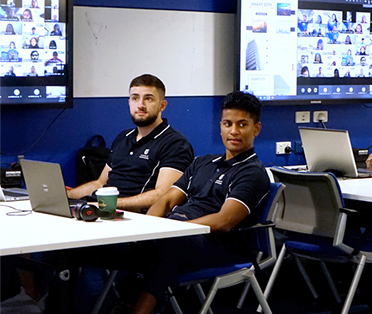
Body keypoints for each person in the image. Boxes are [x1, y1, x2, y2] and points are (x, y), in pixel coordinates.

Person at [102, 91, 271, 314]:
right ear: (220, 126)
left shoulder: (252, 173)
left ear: (255, 129)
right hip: (176, 232)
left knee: (169, 247)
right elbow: (166, 200)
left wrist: (176, 230)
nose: (234, 131)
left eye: (242, 125)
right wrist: (145, 231)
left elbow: (224, 221)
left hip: (217, 244)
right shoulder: (202, 163)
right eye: (228, 124)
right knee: (120, 244)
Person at [67, 74, 194, 212]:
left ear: (162, 106)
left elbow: (163, 195)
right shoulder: (123, 137)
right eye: (135, 98)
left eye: (148, 98)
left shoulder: (175, 144)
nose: (140, 105)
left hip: (135, 217)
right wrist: (65, 195)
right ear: (129, 102)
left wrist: (108, 204)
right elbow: (100, 183)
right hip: (104, 210)